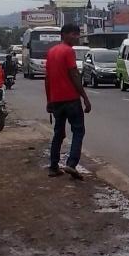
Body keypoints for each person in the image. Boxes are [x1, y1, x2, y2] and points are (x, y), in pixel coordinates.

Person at [44, 24, 92, 179]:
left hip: (56, 100)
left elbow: (47, 79)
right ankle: (71, 164)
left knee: (59, 132)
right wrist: (85, 97)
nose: (76, 37)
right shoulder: (68, 51)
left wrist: (49, 100)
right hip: (71, 99)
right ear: (64, 35)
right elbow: (74, 75)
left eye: (77, 34)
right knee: (78, 130)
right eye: (73, 34)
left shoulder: (51, 52)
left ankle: (53, 166)